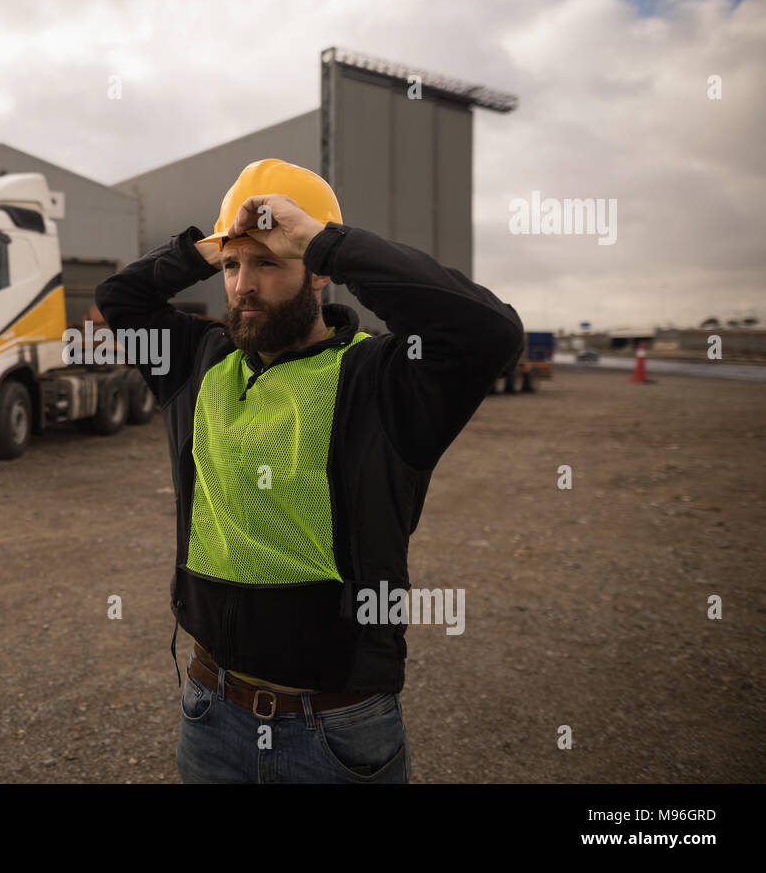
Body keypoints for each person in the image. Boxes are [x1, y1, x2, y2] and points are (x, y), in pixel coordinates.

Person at [94, 159, 524, 783]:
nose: (243, 284)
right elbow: (119, 298)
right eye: (233, 265)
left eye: (269, 261)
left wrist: (329, 241)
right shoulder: (196, 362)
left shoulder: (383, 379)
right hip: (211, 710)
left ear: (319, 273)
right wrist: (201, 249)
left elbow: (487, 333)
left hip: (334, 734)